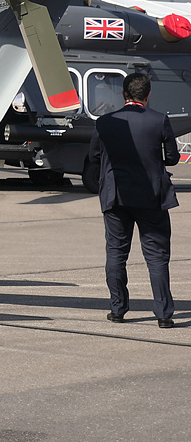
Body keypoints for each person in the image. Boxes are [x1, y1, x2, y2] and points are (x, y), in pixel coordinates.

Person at [85, 71, 178, 328]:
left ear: (123, 94)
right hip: (151, 196)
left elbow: (94, 156)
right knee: (157, 257)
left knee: (116, 253)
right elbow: (171, 158)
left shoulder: (105, 122)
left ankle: (118, 309)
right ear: (147, 96)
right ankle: (163, 314)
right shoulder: (159, 120)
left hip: (116, 196)